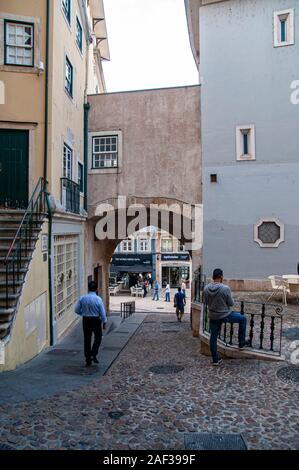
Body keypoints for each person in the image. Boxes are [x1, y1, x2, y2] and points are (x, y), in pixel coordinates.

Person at [204, 268, 251, 366]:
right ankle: (241, 342)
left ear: (213, 277)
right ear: (221, 277)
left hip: (213, 316)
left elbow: (206, 302)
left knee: (213, 337)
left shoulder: (206, 288)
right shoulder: (225, 288)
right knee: (243, 319)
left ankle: (215, 359)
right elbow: (231, 303)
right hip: (225, 315)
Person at [75, 280, 107, 367]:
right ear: (96, 289)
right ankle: (93, 353)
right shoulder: (98, 299)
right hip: (95, 320)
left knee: (87, 339)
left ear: (88, 288)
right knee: (98, 337)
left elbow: (77, 310)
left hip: (86, 320)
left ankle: (88, 359)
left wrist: (83, 314)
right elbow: (102, 312)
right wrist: (104, 322)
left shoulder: (82, 298)